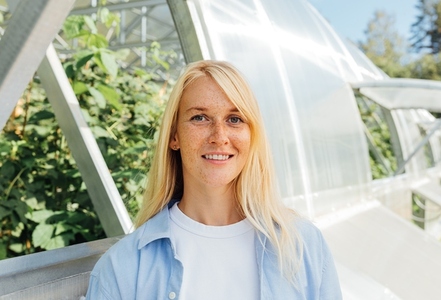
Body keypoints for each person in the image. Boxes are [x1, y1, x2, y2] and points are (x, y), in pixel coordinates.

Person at [85, 60, 342, 299]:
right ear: (174, 136)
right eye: (200, 117)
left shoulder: (302, 247)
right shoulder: (122, 268)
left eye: (235, 119)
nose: (219, 136)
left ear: (252, 135)